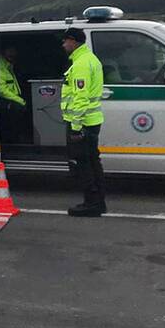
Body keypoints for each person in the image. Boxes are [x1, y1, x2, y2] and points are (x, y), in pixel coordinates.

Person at [60, 27, 107, 216]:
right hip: (91, 121)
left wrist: (76, 127)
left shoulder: (80, 64)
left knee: (83, 164)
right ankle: (98, 201)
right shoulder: (90, 59)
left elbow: (81, 97)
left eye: (65, 41)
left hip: (83, 123)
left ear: (73, 41)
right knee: (93, 162)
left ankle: (91, 203)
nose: (63, 45)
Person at [0, 46, 28, 144]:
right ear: (4, 52)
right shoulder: (0, 66)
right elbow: (2, 90)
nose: (13, 54)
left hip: (13, 98)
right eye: (10, 51)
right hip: (6, 101)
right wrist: (20, 100)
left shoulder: (8, 64)